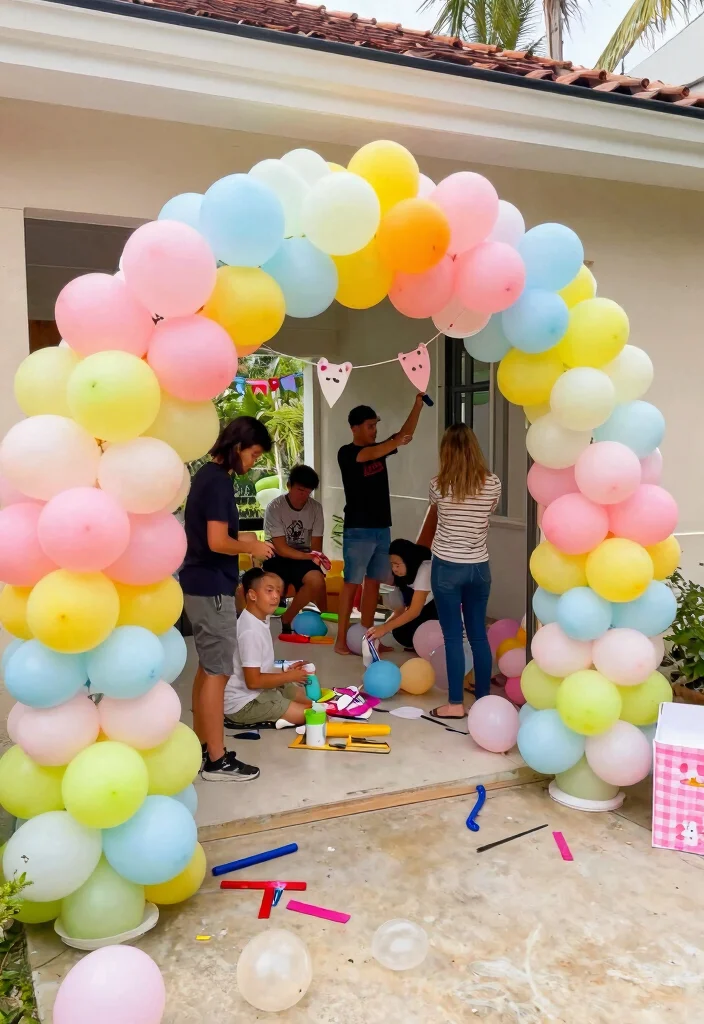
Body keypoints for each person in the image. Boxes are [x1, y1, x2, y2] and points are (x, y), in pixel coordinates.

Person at [180, 417, 275, 782]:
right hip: (211, 586)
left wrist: (246, 544)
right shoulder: (218, 482)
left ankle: (203, 744)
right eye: (252, 454)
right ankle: (217, 760)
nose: (252, 463)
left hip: (200, 582)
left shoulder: (207, 476)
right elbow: (218, 541)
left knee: (208, 668)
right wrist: (251, 545)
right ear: (237, 447)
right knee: (219, 671)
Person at [335, 395, 425, 655]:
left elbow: (405, 435)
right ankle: (341, 639)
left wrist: (417, 404)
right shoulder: (348, 453)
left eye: (376, 425)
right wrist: (396, 440)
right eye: (370, 426)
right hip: (358, 529)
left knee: (373, 583)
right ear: (355, 428)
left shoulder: (382, 447)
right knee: (352, 583)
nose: (375, 431)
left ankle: (368, 639)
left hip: (381, 527)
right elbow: (375, 452)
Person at [425, 423, 501, 719]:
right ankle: (483, 702)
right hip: (479, 567)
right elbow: (488, 513)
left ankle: (455, 704)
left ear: (445, 452)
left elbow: (438, 514)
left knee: (453, 638)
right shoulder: (492, 483)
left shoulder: (438, 485)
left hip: (446, 566)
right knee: (479, 635)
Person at [224, 568, 313, 729]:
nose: (275, 596)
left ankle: (281, 708)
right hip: (243, 705)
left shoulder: (259, 620)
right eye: (269, 591)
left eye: (278, 592)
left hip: (258, 691)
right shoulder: (250, 631)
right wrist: (289, 676)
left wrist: (286, 672)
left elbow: (260, 669)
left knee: (308, 699)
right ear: (252, 595)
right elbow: (253, 681)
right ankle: (276, 713)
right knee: (310, 714)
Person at [262, 464, 327, 633]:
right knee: (270, 583)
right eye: (300, 490)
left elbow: (316, 547)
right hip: (277, 557)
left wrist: (315, 559)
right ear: (289, 485)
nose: (304, 496)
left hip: (304, 557)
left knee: (317, 580)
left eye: (308, 492)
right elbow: (282, 548)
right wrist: (310, 557)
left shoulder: (315, 508)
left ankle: (287, 618)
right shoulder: (275, 507)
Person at [366, 539, 438, 650]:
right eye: (392, 564)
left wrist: (384, 628)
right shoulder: (401, 575)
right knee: (400, 632)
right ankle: (419, 644)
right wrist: (379, 630)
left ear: (408, 561)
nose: (394, 569)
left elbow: (414, 611)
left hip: (437, 612)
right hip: (421, 612)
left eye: (397, 565)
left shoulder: (425, 569)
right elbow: (399, 610)